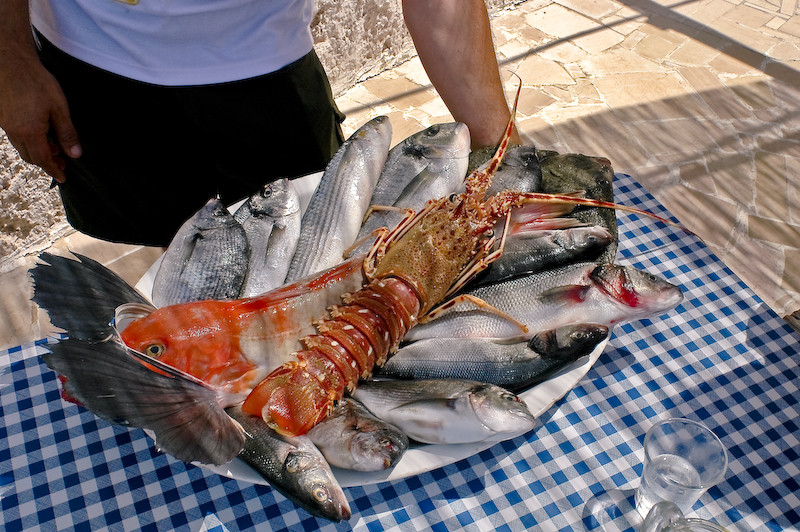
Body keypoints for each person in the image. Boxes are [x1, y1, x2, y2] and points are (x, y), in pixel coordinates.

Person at [0, 0, 520, 247]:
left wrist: (505, 158)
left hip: (269, 71)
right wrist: (10, 60)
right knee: (171, 247)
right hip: (91, 64)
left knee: (307, 252)